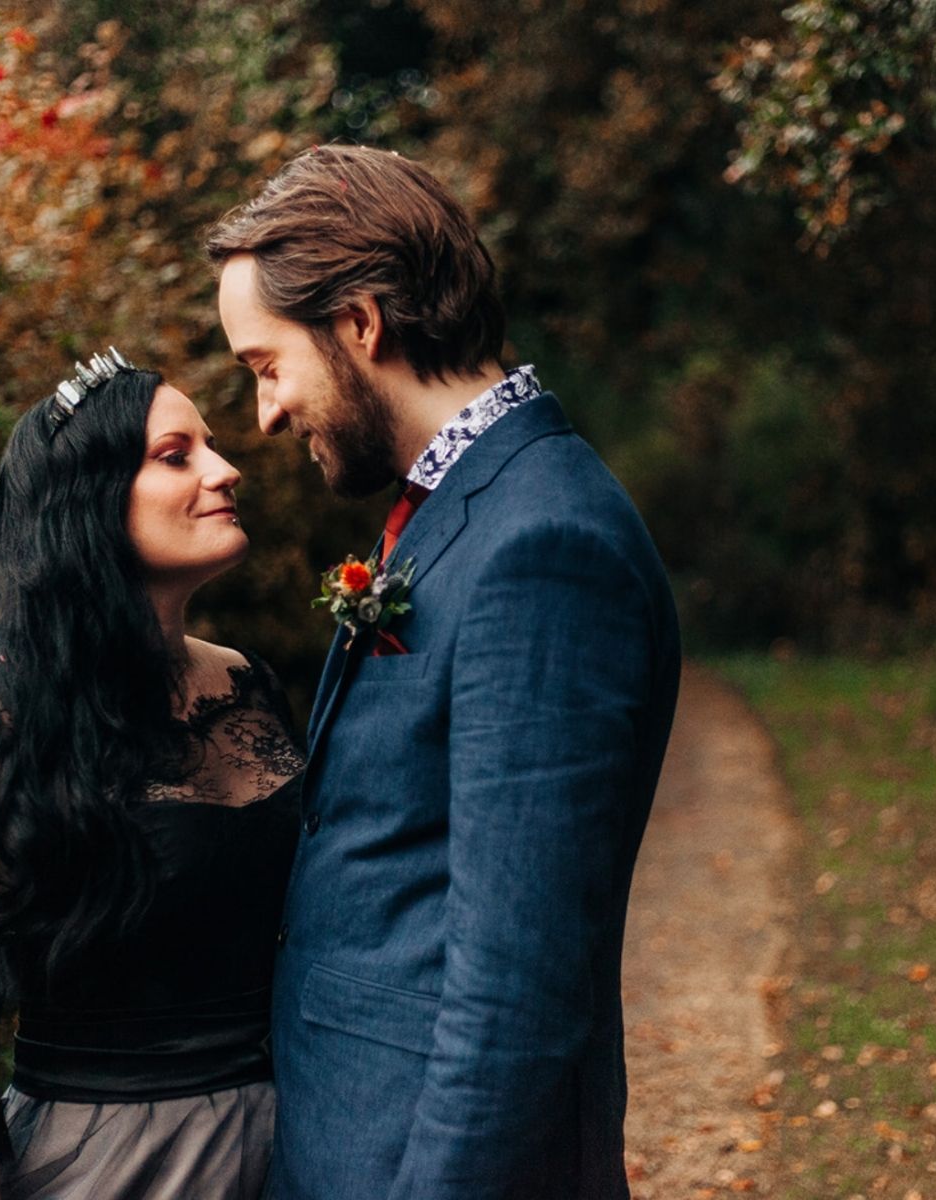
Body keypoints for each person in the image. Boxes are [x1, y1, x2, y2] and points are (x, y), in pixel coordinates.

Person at [207, 145, 682, 1200]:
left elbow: (520, 978)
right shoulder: (462, 507)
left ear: (360, 326)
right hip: (355, 1136)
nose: (266, 415)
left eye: (264, 365)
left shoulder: (543, 544)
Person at [0, 352, 303, 1200]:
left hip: (305, 1139)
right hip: (117, 1165)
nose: (226, 471)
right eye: (176, 454)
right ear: (89, 500)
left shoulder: (247, 686)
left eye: (213, 446)